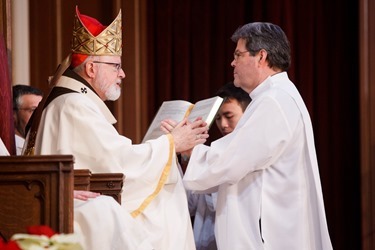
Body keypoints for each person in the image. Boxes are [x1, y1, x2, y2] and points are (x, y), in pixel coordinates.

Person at [24, 6, 208, 250]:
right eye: (115, 66)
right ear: (91, 68)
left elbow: (108, 157)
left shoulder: (73, 99)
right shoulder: (75, 104)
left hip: (68, 195)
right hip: (66, 204)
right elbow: (116, 162)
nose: (122, 73)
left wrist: (168, 144)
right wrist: (171, 143)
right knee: (165, 197)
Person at [181, 22, 333, 249]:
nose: (232, 62)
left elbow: (232, 161)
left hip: (273, 235)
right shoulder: (275, 96)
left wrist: (190, 149)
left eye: (238, 55)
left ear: (261, 57)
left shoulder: (274, 100)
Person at [187, 82, 251, 250]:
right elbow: (191, 204)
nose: (223, 124)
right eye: (218, 118)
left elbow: (218, 203)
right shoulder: (211, 152)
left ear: (247, 114)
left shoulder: (251, 153)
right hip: (203, 239)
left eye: (229, 116)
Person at [12, 84, 43, 155]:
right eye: (33, 110)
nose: (40, 116)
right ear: (13, 115)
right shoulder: (10, 150)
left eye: (42, 111)